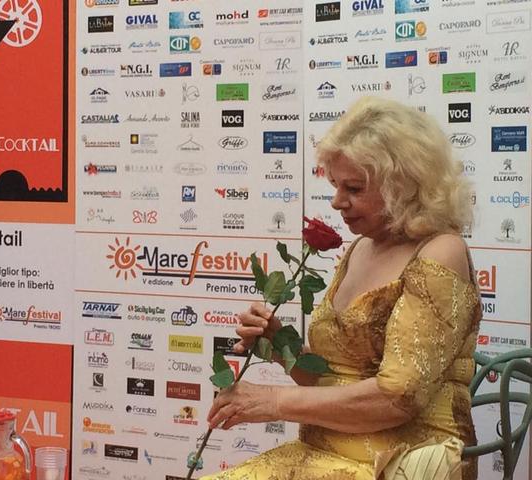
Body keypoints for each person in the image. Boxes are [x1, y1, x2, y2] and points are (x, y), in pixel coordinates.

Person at [202, 96, 481, 480]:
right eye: (335, 185)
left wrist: (272, 400)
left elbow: (396, 399)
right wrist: (279, 343)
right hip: (324, 456)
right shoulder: (360, 248)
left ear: (405, 185)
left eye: (353, 188)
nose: (336, 202)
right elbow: (333, 379)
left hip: (402, 463)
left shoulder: (441, 251)